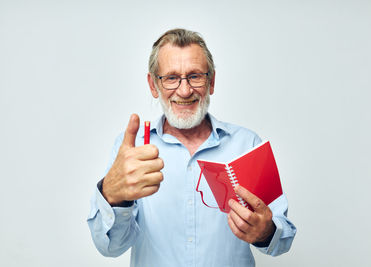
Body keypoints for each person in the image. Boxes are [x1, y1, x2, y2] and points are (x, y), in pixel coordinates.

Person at [87, 28, 296, 267]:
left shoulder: (246, 144)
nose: (185, 91)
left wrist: (266, 232)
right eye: (171, 78)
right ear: (153, 85)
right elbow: (111, 247)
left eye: (195, 76)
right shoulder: (132, 150)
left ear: (212, 82)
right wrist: (112, 197)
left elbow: (283, 238)